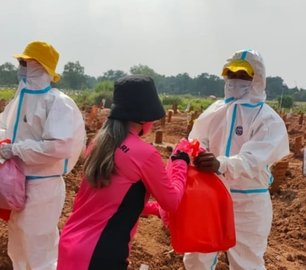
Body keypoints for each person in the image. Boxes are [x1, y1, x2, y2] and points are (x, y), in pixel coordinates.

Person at [57, 75, 189, 270]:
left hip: (70, 244)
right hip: (100, 254)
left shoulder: (99, 144)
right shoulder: (144, 154)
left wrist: (151, 209)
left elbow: (109, 200)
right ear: (144, 118)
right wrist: (180, 164)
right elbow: (172, 201)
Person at [0, 40, 86, 270]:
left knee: (38, 248)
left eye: (25, 62)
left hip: (42, 187)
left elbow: (59, 147)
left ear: (41, 66)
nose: (21, 67)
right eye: (21, 62)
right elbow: (0, 127)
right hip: (13, 182)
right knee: (18, 246)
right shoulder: (19, 99)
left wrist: (17, 149)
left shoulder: (58, 103)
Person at [184, 49, 289, 269]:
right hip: (210, 196)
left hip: (248, 201)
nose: (235, 81)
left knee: (246, 261)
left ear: (257, 79)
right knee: (197, 257)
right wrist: (198, 154)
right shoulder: (214, 111)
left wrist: (220, 164)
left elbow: (252, 159)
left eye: (243, 76)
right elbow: (196, 140)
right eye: (231, 75)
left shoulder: (268, 119)